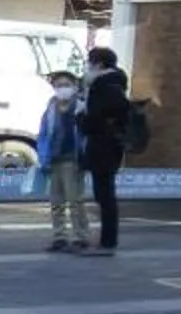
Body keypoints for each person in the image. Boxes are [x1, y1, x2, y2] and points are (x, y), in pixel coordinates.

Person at [77, 45, 131, 258]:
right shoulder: (116, 84)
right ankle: (107, 240)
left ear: (99, 64)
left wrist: (80, 117)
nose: (87, 67)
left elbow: (94, 120)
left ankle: (108, 242)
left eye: (89, 63)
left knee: (105, 195)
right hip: (110, 146)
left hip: (103, 147)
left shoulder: (105, 87)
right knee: (105, 194)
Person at [38, 69, 90, 252]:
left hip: (73, 160)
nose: (62, 89)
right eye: (59, 85)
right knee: (56, 202)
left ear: (75, 87)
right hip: (54, 160)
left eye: (66, 85)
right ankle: (59, 236)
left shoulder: (81, 107)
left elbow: (86, 135)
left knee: (75, 201)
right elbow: (44, 134)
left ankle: (80, 236)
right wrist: (43, 157)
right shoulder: (50, 108)